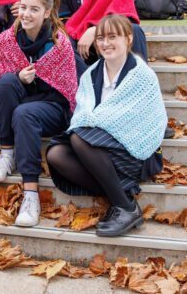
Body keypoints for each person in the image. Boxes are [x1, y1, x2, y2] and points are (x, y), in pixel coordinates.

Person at [46, 14, 167, 237]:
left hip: (134, 151)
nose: (105, 43)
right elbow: (82, 116)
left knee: (78, 138)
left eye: (113, 37)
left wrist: (98, 124)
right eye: (100, 38)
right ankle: (121, 196)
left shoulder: (142, 75)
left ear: (128, 38)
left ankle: (126, 208)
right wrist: (96, 125)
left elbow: (151, 122)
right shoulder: (91, 74)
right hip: (97, 149)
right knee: (56, 154)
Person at [0, 0, 77, 227]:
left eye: (34, 9)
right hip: (20, 105)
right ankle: (7, 152)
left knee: (24, 113)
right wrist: (19, 77)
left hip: (52, 107)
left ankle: (31, 196)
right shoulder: (6, 40)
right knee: (6, 83)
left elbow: (65, 90)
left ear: (47, 12)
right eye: (23, 7)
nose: (26, 14)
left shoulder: (59, 42)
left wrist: (36, 78)